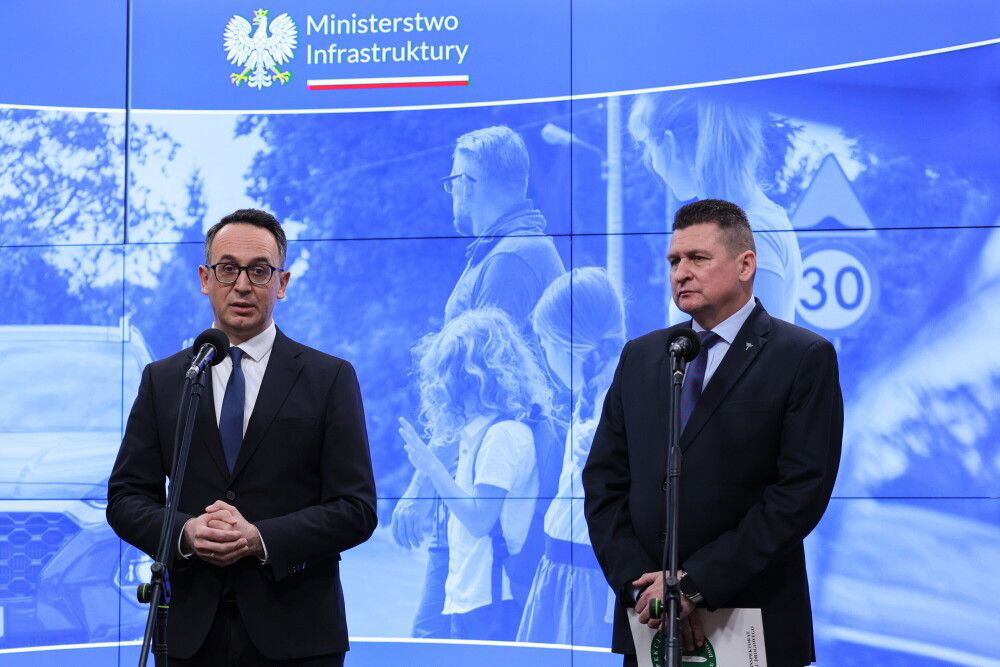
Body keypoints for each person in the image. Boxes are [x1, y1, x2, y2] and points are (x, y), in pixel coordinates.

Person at [107, 209, 377, 666]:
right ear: (205, 279)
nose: (243, 285)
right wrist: (186, 532)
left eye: (259, 271)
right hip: (190, 636)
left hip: (298, 635)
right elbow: (126, 499)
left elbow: (356, 508)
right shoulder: (166, 380)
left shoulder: (329, 378)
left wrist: (259, 537)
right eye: (228, 269)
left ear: (282, 283)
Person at [582, 199, 843, 667]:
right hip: (650, 623)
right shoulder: (641, 357)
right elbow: (604, 484)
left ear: (746, 265)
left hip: (754, 619)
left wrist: (693, 585)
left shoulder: (802, 357)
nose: (681, 272)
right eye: (674, 261)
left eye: (698, 258)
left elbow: (799, 494)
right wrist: (645, 590)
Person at [391, 125, 566, 638]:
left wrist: (423, 485)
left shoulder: (510, 261)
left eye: (454, 182)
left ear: (471, 183)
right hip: (478, 478)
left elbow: (477, 385)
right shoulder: (508, 251)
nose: (452, 193)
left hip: (483, 489)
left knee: (435, 639)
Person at [398, 308, 552, 640]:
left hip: (493, 601)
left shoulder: (502, 436)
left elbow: (480, 519)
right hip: (474, 597)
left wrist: (431, 467)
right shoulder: (482, 434)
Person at [516, 267, 625, 646]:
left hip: (585, 577)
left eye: (545, 343)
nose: (545, 355)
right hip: (567, 566)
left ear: (566, 342)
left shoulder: (616, 395)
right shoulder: (596, 392)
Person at [628, 91, 803, 324]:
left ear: (671, 145)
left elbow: (763, 345)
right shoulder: (747, 225)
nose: (653, 163)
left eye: (650, 148)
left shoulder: (753, 233)